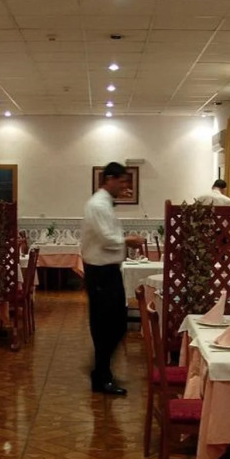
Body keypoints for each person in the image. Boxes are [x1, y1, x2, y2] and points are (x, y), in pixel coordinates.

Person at [81, 162, 145, 396]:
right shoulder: (98, 205)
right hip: (100, 272)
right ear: (109, 179)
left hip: (107, 271)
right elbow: (107, 238)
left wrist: (125, 241)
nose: (124, 186)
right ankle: (101, 376)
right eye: (121, 181)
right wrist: (128, 240)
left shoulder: (104, 204)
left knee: (115, 325)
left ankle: (101, 372)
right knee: (107, 326)